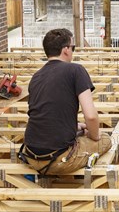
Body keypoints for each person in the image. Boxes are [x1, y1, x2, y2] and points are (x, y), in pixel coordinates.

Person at [19, 28, 112, 175]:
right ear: (66, 50)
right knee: (106, 139)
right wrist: (94, 136)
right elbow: (91, 116)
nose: (73, 51)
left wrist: (76, 126)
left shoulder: (36, 77)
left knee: (81, 131)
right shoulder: (75, 70)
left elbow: (46, 116)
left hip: (30, 154)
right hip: (58, 159)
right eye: (73, 47)